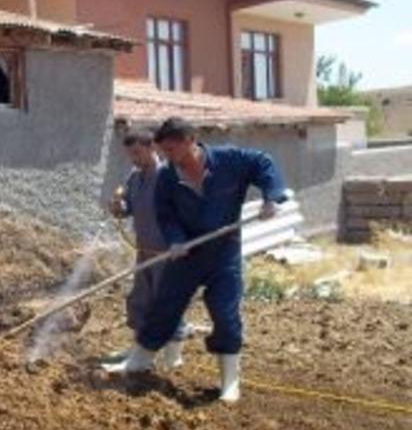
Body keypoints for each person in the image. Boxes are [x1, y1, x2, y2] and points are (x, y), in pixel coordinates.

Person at [124, 118, 287, 404]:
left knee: (225, 312)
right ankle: (137, 362)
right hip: (187, 254)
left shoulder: (230, 160)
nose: (166, 157)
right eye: (163, 151)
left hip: (224, 254)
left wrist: (270, 197)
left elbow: (263, 163)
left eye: (171, 150)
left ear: (190, 140)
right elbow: (165, 214)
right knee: (165, 305)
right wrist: (175, 239)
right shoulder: (167, 177)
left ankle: (229, 381)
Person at [103, 130, 189, 373]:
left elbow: (185, 212)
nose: (134, 159)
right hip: (144, 250)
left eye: (137, 153)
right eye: (130, 155)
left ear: (152, 149)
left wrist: (179, 243)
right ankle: (138, 351)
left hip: (167, 252)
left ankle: (173, 356)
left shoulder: (169, 177)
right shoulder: (135, 177)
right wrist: (119, 207)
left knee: (168, 302)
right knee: (140, 300)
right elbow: (129, 208)